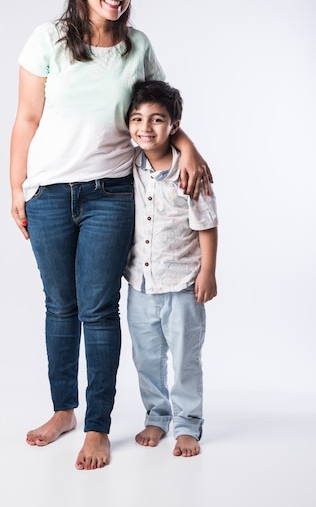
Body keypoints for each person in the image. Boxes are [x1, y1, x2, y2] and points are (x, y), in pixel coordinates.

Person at [10, 0, 213, 470]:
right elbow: (27, 118)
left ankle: (97, 425)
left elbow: (162, 109)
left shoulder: (137, 46)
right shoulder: (47, 41)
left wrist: (188, 147)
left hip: (111, 194)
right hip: (49, 193)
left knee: (98, 310)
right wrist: (16, 187)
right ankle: (63, 411)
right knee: (60, 306)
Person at [124, 79, 218, 457]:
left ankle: (187, 423)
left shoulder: (190, 172)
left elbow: (207, 224)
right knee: (146, 358)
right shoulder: (128, 164)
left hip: (181, 284)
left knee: (184, 358)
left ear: (174, 127)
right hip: (139, 285)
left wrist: (207, 272)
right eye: (137, 119)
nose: (146, 128)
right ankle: (157, 415)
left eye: (157, 120)